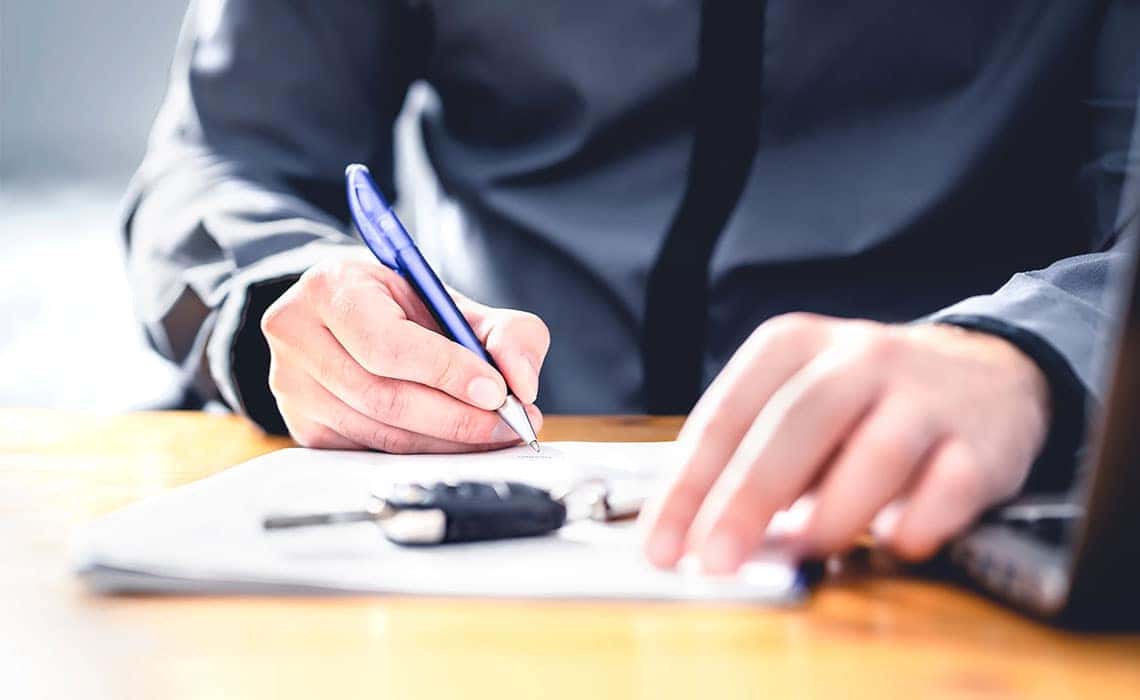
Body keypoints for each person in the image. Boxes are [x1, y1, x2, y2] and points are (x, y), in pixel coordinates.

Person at [124, 1, 1138, 574]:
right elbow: (220, 159)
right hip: (457, 502)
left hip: (927, 527)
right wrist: (277, 303)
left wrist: (1035, 359)